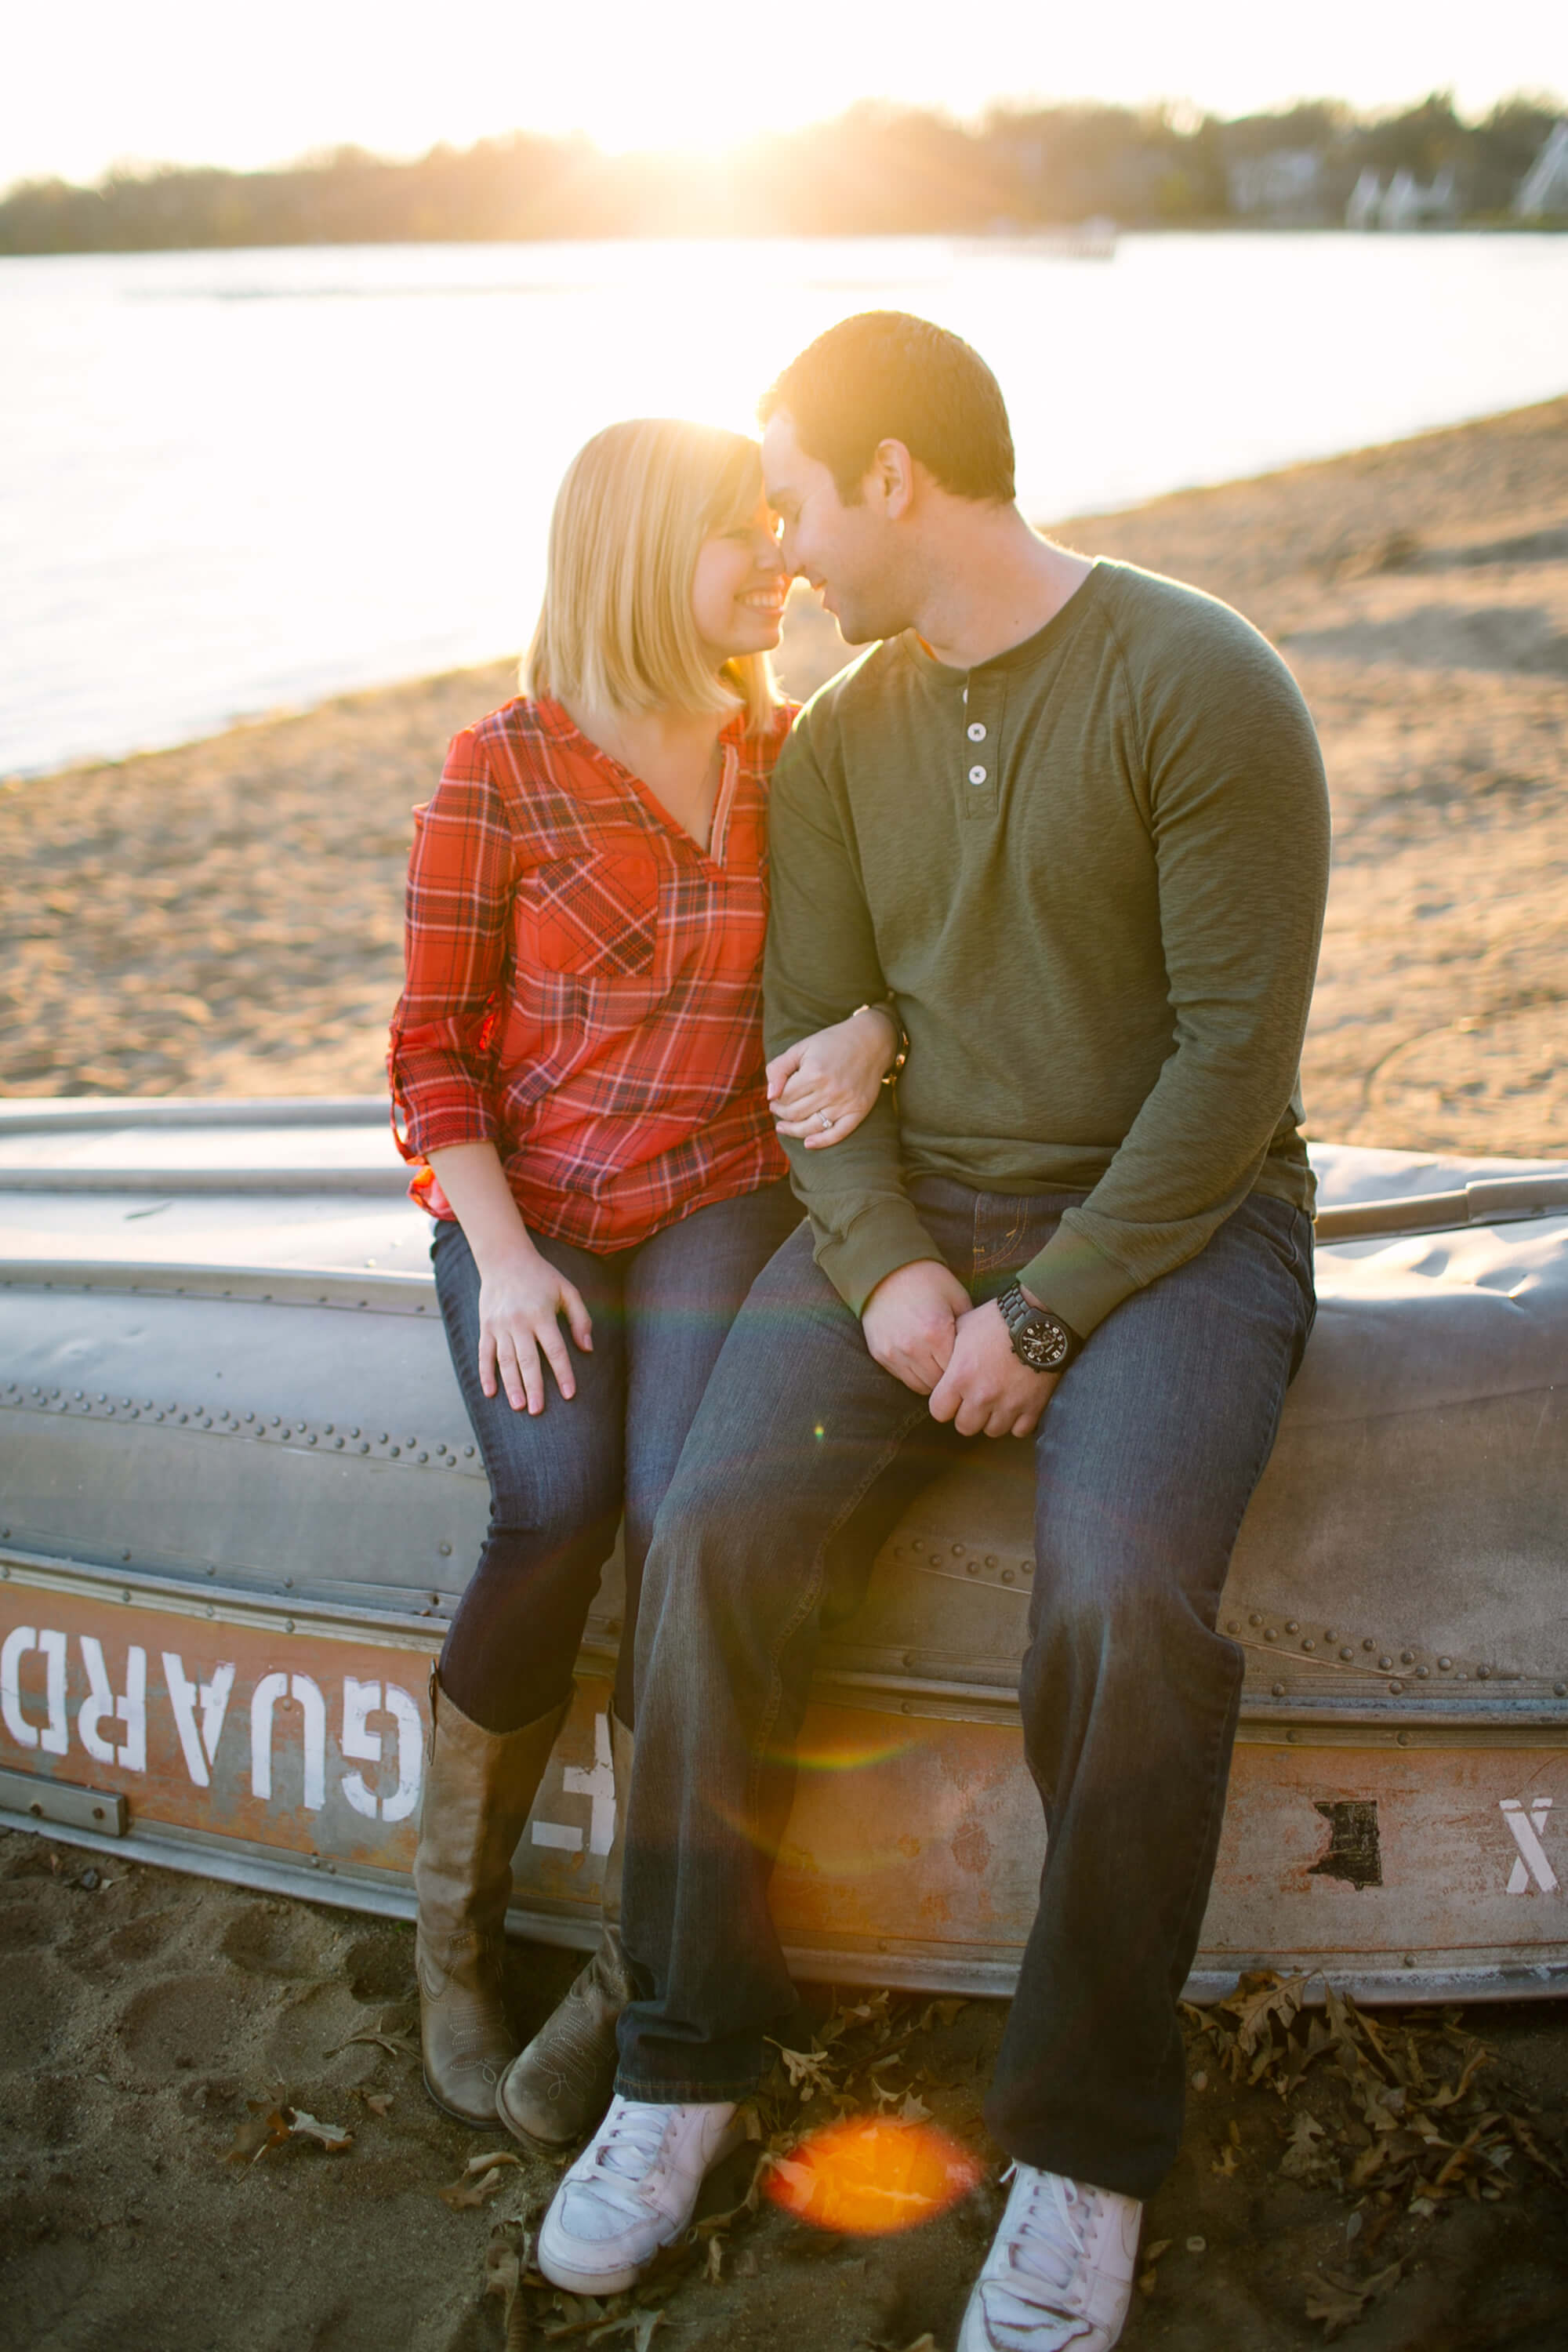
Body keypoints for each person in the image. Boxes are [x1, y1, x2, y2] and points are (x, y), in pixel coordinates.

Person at [535, 317, 1331, 2349]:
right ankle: (681, 2058)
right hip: (914, 1216)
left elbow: (1235, 1069)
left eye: (796, 494)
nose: (782, 546)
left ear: (897, 478)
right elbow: (819, 1037)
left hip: (1175, 1230)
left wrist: (1046, 1315)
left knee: (1126, 1595)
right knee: (711, 1532)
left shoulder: (1199, 681)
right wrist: (892, 1271)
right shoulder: (842, 734)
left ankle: (1077, 2153)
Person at [387, 416, 903, 2139]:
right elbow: (430, 1047)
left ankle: (636, 1958)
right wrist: (508, 1258)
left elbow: (886, 956)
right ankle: (451, 1941)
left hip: (716, 1197)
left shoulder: (795, 753)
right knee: (554, 1504)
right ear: (629, 556)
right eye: (737, 536)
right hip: (526, 1208)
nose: (777, 562)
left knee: (689, 1517)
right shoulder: (500, 768)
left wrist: (878, 1028)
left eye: (778, 530)